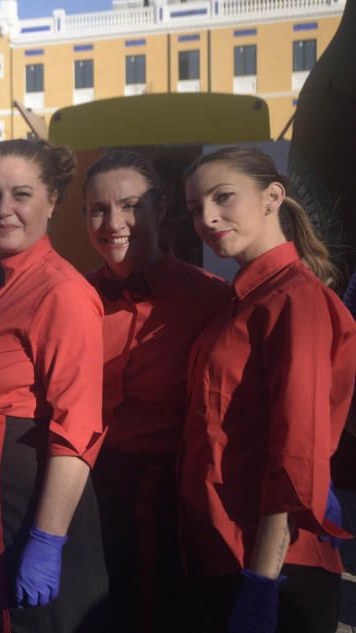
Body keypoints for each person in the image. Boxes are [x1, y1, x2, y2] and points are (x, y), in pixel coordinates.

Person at [181, 145, 356, 633]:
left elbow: (295, 452)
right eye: (196, 208)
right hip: (225, 553)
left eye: (224, 198)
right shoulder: (242, 300)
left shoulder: (294, 301)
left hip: (272, 566)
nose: (208, 217)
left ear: (272, 196)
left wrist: (261, 581)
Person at [0, 138, 110, 633]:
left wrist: (47, 539)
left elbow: (78, 427)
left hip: (29, 511)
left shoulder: (62, 292)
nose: (3, 210)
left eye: (21, 194)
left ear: (52, 201)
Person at [82, 151, 232, 633]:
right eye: (97, 209)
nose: (113, 222)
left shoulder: (211, 299)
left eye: (130, 206)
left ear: (161, 209)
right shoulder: (72, 298)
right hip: (83, 492)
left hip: (172, 502)